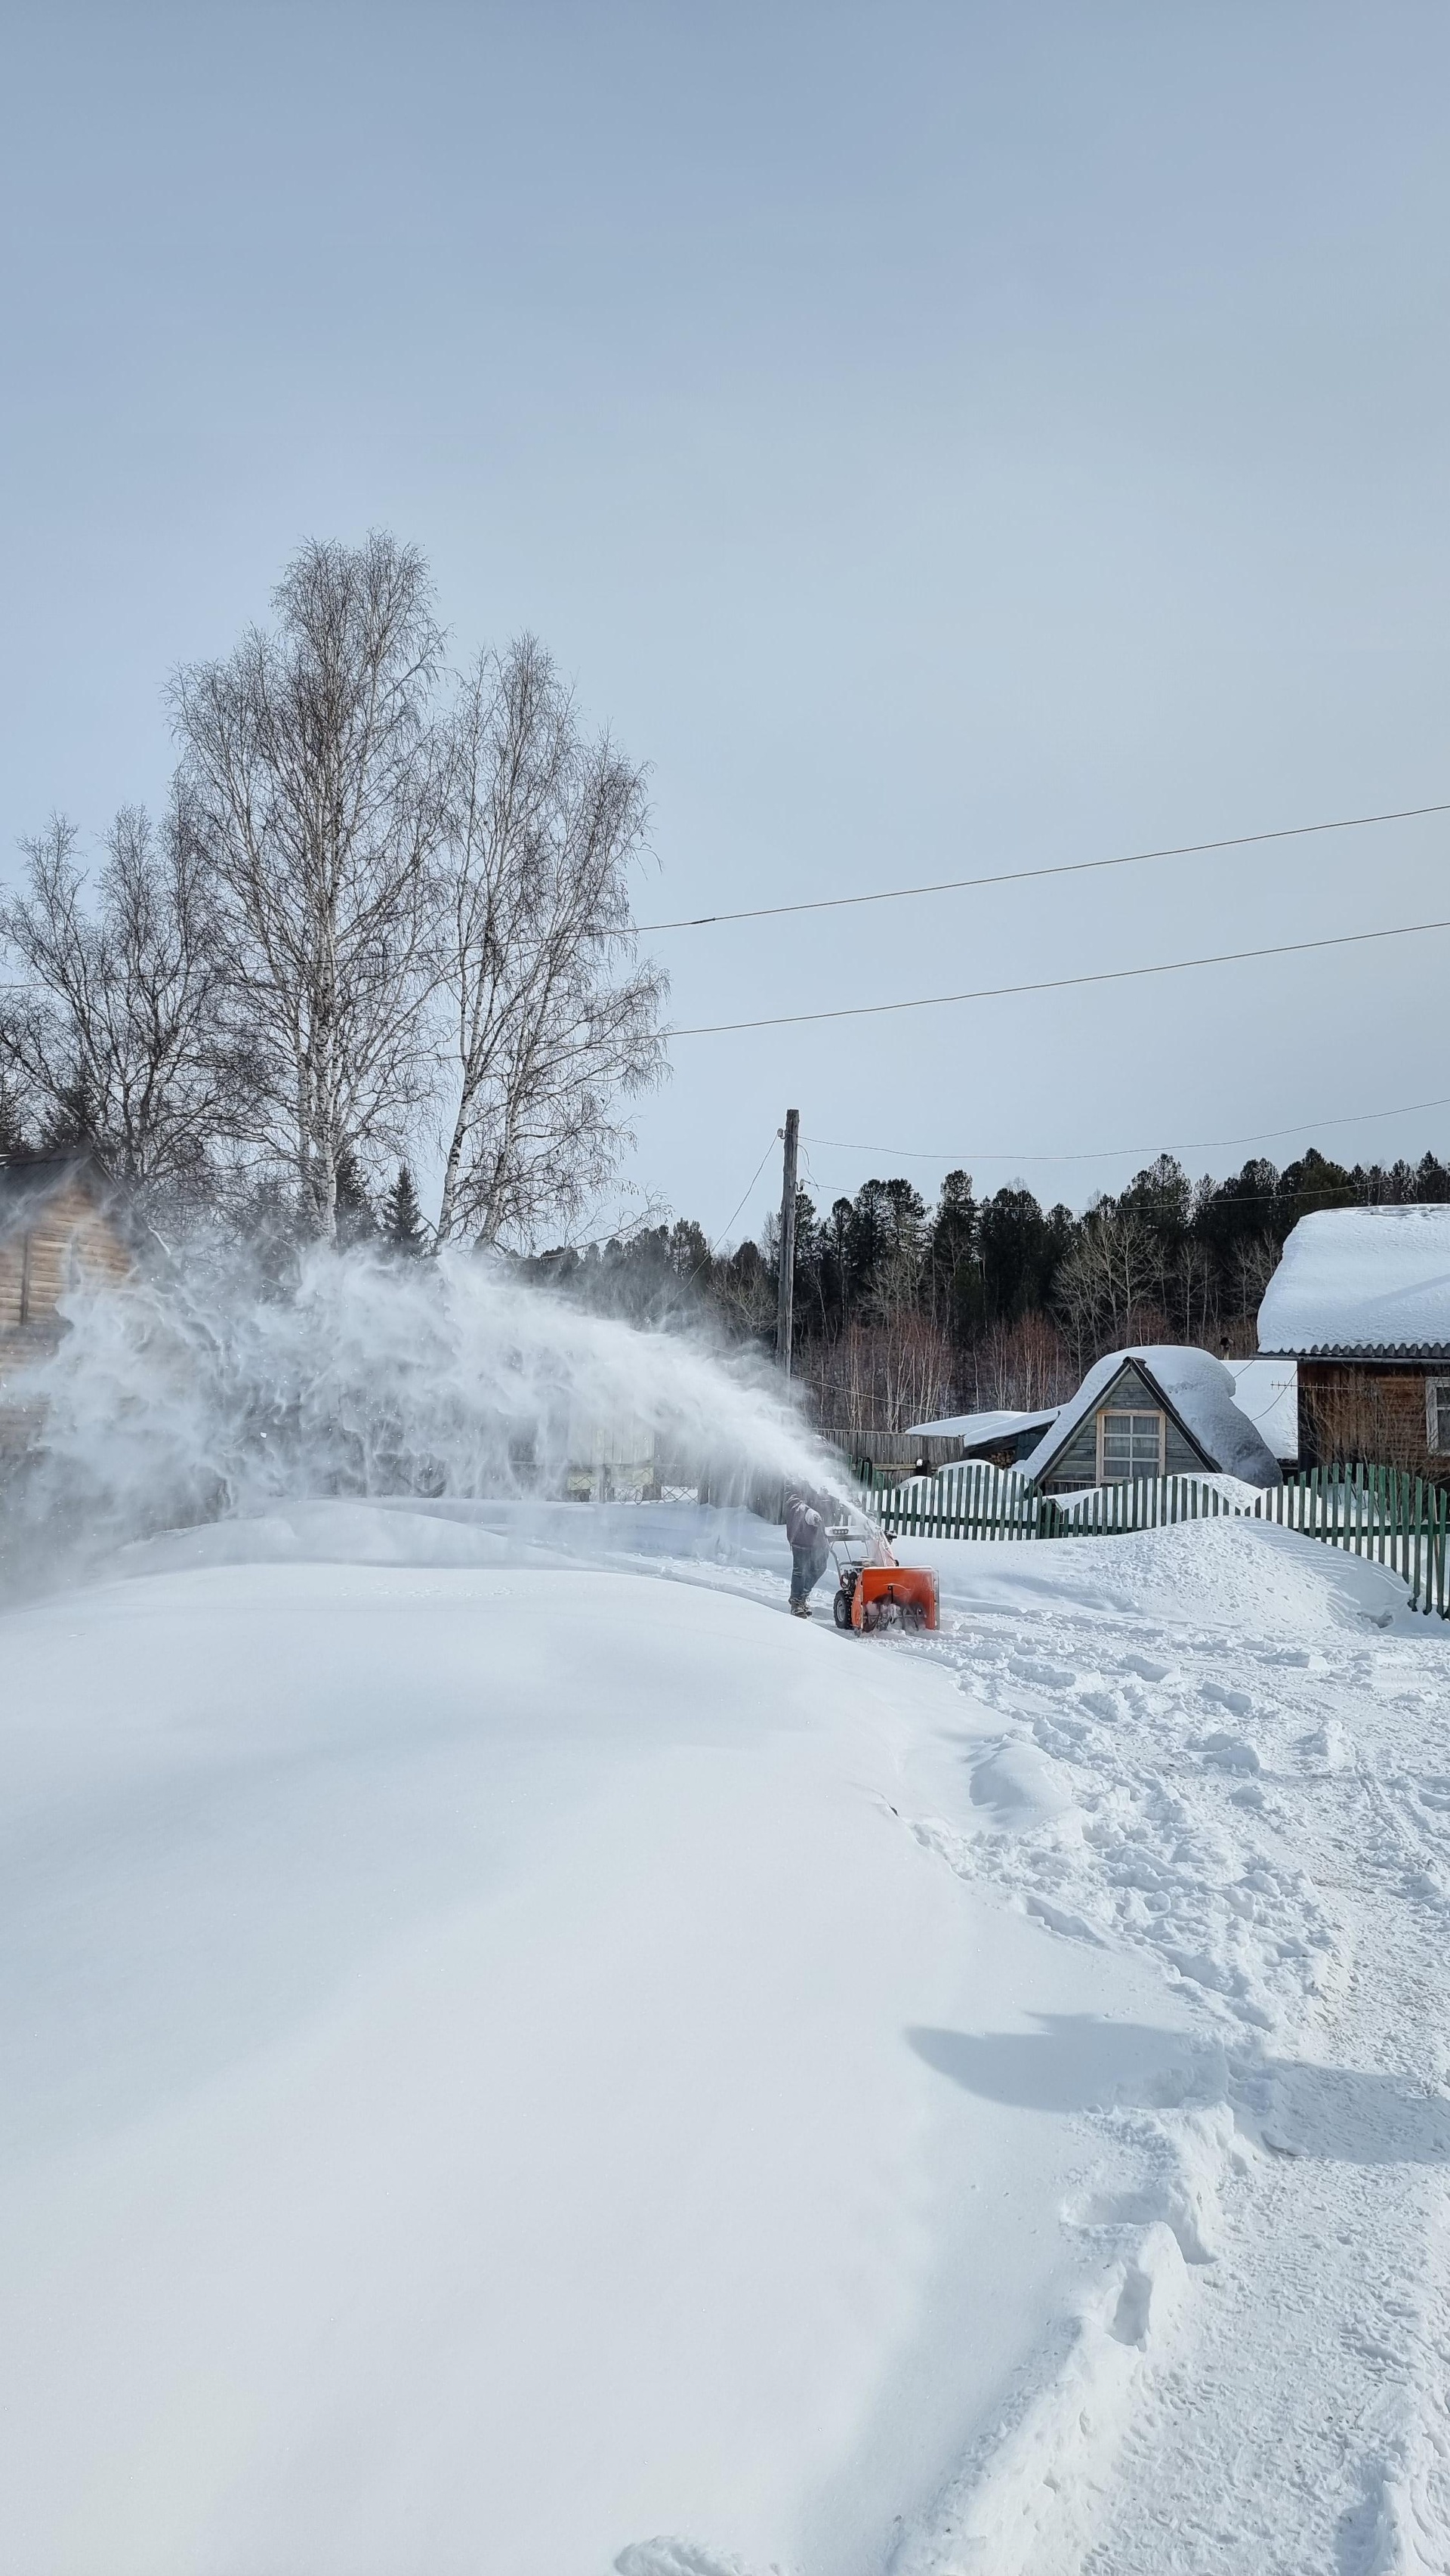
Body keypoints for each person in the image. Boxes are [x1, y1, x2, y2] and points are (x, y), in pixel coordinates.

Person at [784, 1486, 832, 1617]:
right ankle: (796, 1602)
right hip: (801, 1536)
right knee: (800, 1570)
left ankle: (803, 1595)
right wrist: (808, 1512)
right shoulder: (796, 1481)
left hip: (820, 1538)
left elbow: (833, 1503)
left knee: (820, 1567)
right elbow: (793, 1501)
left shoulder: (825, 1483)